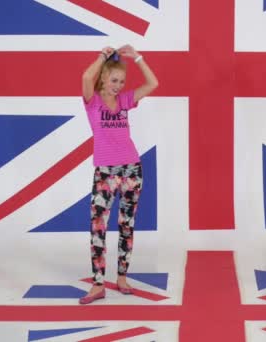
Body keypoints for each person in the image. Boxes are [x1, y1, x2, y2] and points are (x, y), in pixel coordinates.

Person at [79, 44, 158, 304]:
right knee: (98, 226)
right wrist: (102, 56)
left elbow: (153, 83)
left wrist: (137, 56)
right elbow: (85, 77)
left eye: (121, 81)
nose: (118, 85)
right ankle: (98, 284)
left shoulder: (125, 100)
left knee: (127, 224)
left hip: (131, 169)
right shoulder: (93, 102)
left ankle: (122, 278)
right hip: (105, 171)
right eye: (114, 80)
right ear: (103, 78)